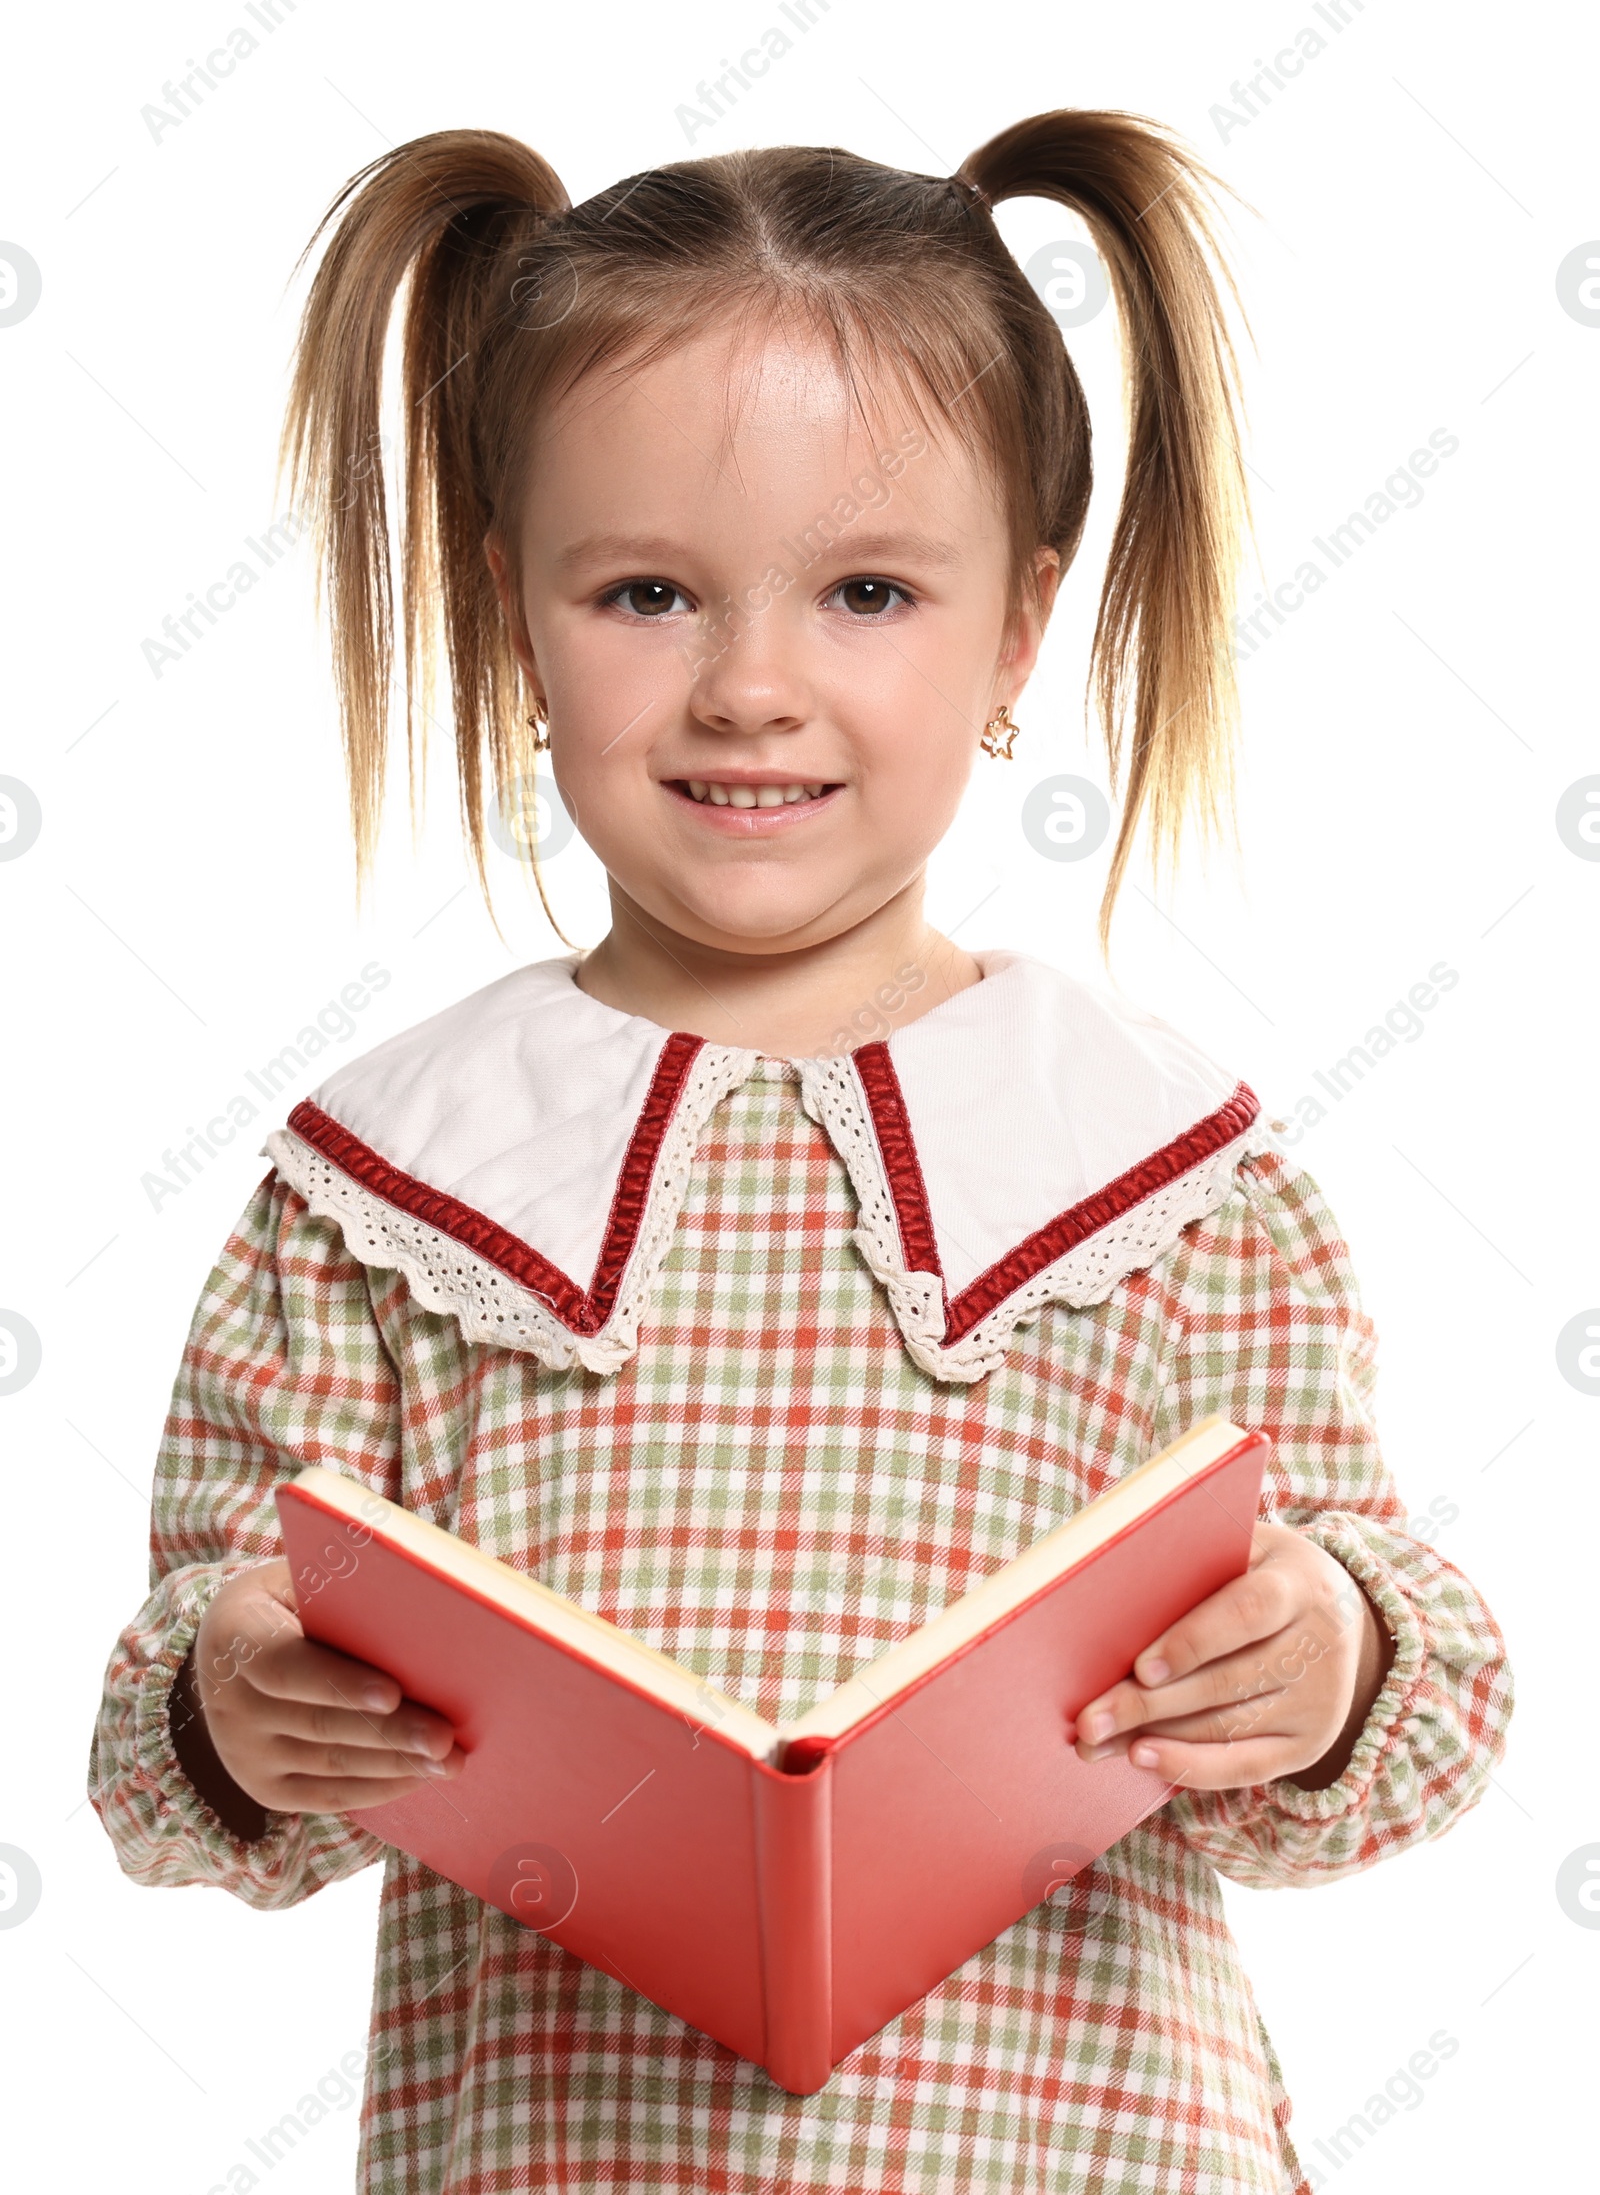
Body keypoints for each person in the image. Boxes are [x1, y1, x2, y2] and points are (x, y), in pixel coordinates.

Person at [89, 113, 1511, 2193]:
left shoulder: (1161, 1176)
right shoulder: (383, 1195)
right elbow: (165, 1736)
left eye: (864, 591)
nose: (748, 688)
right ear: (513, 613)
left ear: (1017, 627)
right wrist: (238, 1695)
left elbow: (1421, 1702)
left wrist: (1320, 1651)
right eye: (645, 590)